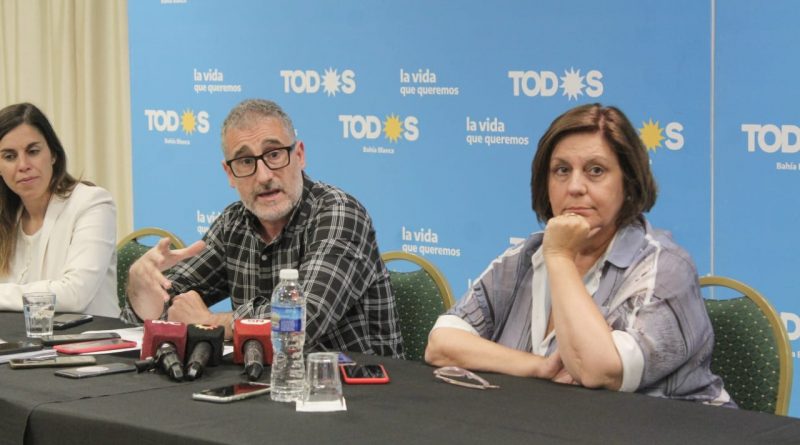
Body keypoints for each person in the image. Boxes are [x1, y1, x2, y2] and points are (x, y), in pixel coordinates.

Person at [425, 103, 733, 406]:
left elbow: (597, 371)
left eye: (595, 171)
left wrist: (560, 257)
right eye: (562, 170)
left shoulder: (665, 268)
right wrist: (537, 367)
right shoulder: (525, 256)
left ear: (628, 184)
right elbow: (442, 344)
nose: (574, 187)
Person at [124, 98, 403, 358]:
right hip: (265, 381)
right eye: (246, 161)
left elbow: (303, 321)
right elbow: (171, 305)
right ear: (230, 174)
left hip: (352, 384)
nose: (264, 176)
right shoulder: (234, 223)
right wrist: (143, 290)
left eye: (274, 154)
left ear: (299, 155)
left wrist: (210, 321)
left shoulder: (339, 213)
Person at [0, 103, 118, 317]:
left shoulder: (92, 203)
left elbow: (74, 295)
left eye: (33, 151)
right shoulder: (6, 214)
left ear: (53, 154)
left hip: (88, 336)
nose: (23, 165)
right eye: (9, 156)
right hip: (19, 337)